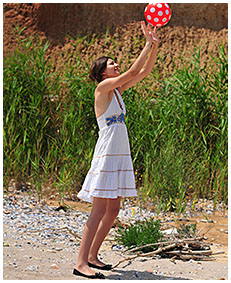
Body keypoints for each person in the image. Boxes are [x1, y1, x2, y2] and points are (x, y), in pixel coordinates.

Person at [73, 21, 159, 279]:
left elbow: (142, 72)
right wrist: (145, 43)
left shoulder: (117, 91)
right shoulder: (102, 88)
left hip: (119, 151)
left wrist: (154, 45)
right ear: (102, 72)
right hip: (108, 151)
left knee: (113, 210)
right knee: (98, 209)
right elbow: (133, 70)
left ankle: (92, 257)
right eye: (111, 63)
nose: (116, 65)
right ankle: (80, 263)